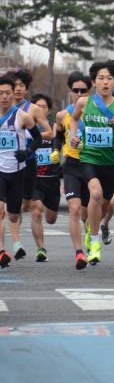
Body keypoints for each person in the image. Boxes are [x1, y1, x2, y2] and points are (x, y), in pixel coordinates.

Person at [69, 60, 114, 264]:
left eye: (109, 78)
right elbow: (75, 119)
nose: (105, 82)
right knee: (94, 195)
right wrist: (74, 135)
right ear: (94, 82)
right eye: (101, 78)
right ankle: (94, 242)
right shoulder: (84, 103)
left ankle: (92, 229)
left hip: (110, 161)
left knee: (105, 202)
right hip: (88, 158)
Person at [7, 69, 54, 260]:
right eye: (14, 85)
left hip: (28, 162)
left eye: (21, 86)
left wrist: (27, 135)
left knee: (28, 206)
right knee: (6, 206)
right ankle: (13, 245)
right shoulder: (2, 108)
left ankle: (37, 246)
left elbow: (49, 133)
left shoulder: (33, 110)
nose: (17, 89)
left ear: (26, 88)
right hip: (6, 163)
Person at [0, 74, 43, 267]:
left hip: (17, 171)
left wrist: (27, 152)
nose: (4, 97)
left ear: (12, 95)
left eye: (7, 93)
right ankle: (2, 250)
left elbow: (38, 139)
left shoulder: (22, 116)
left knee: (14, 213)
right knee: (0, 209)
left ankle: (16, 242)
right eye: (0, 93)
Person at [54, 71, 92, 269]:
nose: (79, 94)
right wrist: (55, 151)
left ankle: (89, 232)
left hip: (91, 164)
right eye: (75, 90)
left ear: (89, 91)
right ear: (70, 91)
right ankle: (79, 253)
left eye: (83, 91)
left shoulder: (95, 113)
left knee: (87, 212)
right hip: (71, 165)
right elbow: (58, 136)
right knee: (74, 209)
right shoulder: (63, 115)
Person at [29, 94, 61, 262]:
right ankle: (41, 248)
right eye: (37, 106)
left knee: (51, 219)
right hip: (34, 178)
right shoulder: (26, 127)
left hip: (52, 178)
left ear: (48, 110)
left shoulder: (53, 127)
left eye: (44, 107)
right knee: (36, 210)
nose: (40, 109)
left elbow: (60, 143)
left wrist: (58, 155)